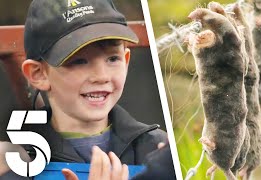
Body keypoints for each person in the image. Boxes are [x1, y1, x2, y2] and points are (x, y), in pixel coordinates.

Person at [0, 0, 168, 179]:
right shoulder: (13, 164)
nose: (101, 76)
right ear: (38, 74)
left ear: (126, 61)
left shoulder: (158, 148)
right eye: (79, 61)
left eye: (112, 59)